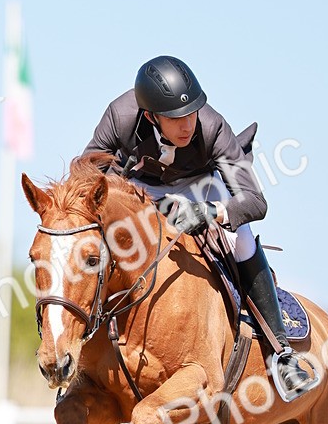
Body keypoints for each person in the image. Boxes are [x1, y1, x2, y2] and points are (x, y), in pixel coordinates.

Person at [84, 54, 315, 398]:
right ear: (150, 116)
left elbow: (255, 201)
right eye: (176, 119)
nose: (187, 125)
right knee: (96, 239)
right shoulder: (120, 116)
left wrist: (210, 212)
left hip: (203, 186)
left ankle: (280, 352)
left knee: (242, 240)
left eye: (191, 113)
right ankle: (81, 347)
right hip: (140, 186)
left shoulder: (212, 126)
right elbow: (85, 177)